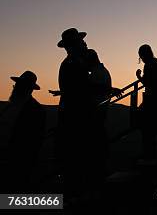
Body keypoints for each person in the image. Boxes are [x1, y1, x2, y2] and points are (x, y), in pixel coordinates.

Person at [56, 28, 105, 196]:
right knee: (78, 160)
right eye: (81, 42)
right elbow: (81, 89)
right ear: (73, 46)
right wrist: (104, 88)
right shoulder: (72, 65)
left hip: (75, 117)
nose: (85, 44)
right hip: (76, 119)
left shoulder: (73, 64)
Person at [0, 71, 46, 192]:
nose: (15, 88)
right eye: (16, 85)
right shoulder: (10, 106)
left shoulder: (36, 111)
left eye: (20, 85)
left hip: (18, 162)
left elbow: (33, 142)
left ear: (28, 89)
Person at [136, 44, 157, 159]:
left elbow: (148, 83)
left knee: (147, 129)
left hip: (152, 101)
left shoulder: (149, 66)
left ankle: (149, 154)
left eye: (141, 57)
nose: (141, 59)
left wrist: (139, 77)